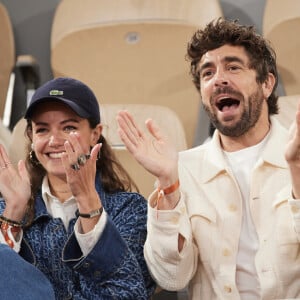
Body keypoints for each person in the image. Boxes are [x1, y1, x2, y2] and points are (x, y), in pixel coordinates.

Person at [116, 18, 300, 299]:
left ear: (266, 84)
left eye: (233, 67)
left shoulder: (296, 158)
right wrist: (168, 184)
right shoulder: (183, 171)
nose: (219, 79)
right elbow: (172, 277)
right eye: (207, 73)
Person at [0, 77, 155, 299]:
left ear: (95, 134)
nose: (55, 140)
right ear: (32, 139)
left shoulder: (129, 208)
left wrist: (87, 200)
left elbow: (128, 294)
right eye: (42, 130)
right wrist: (13, 213)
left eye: (69, 127)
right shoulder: (8, 211)